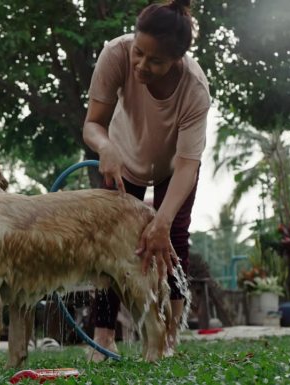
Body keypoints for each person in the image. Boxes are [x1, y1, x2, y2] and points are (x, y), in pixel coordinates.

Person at [82, 0, 210, 361]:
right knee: (111, 244)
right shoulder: (115, 54)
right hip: (121, 158)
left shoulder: (195, 89)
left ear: (176, 60)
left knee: (173, 241)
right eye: (139, 52)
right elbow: (93, 123)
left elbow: (187, 165)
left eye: (154, 61)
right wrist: (104, 145)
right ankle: (104, 337)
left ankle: (168, 338)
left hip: (173, 167)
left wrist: (162, 222)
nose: (141, 65)